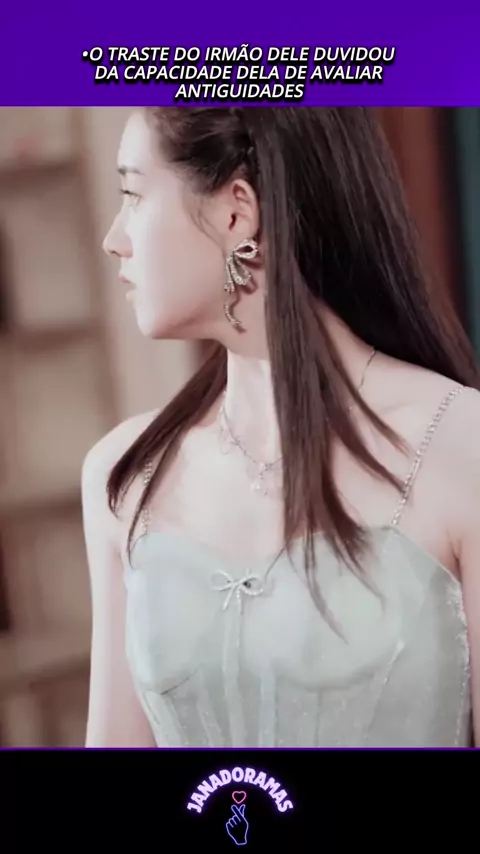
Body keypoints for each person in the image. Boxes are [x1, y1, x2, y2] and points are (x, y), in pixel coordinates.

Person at [82, 107, 480, 749]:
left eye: (134, 194)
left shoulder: (460, 444)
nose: (114, 238)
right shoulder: (122, 475)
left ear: (236, 212)